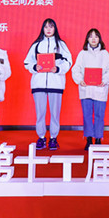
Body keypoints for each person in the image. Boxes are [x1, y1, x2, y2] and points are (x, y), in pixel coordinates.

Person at [24, 18, 72, 151]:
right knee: (40, 113)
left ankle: (53, 138)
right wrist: (35, 67)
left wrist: (58, 69)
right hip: (38, 83)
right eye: (46, 27)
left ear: (55, 28)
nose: (48, 29)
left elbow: (68, 61)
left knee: (55, 113)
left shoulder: (61, 45)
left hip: (56, 83)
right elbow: (27, 62)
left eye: (51, 26)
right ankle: (41, 137)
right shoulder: (36, 45)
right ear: (42, 29)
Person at [71, 28, 109, 150]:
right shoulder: (82, 54)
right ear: (87, 39)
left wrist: (104, 80)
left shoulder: (104, 54)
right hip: (86, 89)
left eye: (96, 36)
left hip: (100, 89)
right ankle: (89, 138)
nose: (94, 39)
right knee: (87, 115)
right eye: (91, 36)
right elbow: (76, 69)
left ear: (99, 39)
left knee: (100, 115)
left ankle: (98, 138)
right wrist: (80, 80)